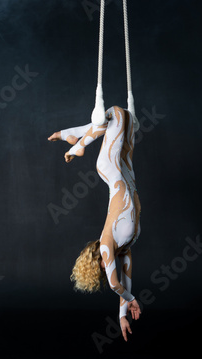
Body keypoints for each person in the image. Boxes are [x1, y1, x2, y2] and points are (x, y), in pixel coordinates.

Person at [48, 106, 141, 342]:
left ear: (96, 258)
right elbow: (124, 282)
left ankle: (75, 143)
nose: (105, 268)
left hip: (109, 169)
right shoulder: (124, 250)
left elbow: (115, 286)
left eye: (99, 268)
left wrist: (130, 299)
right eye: (101, 272)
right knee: (126, 119)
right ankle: (70, 136)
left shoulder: (106, 246)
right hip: (126, 174)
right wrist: (122, 315)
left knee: (115, 113)